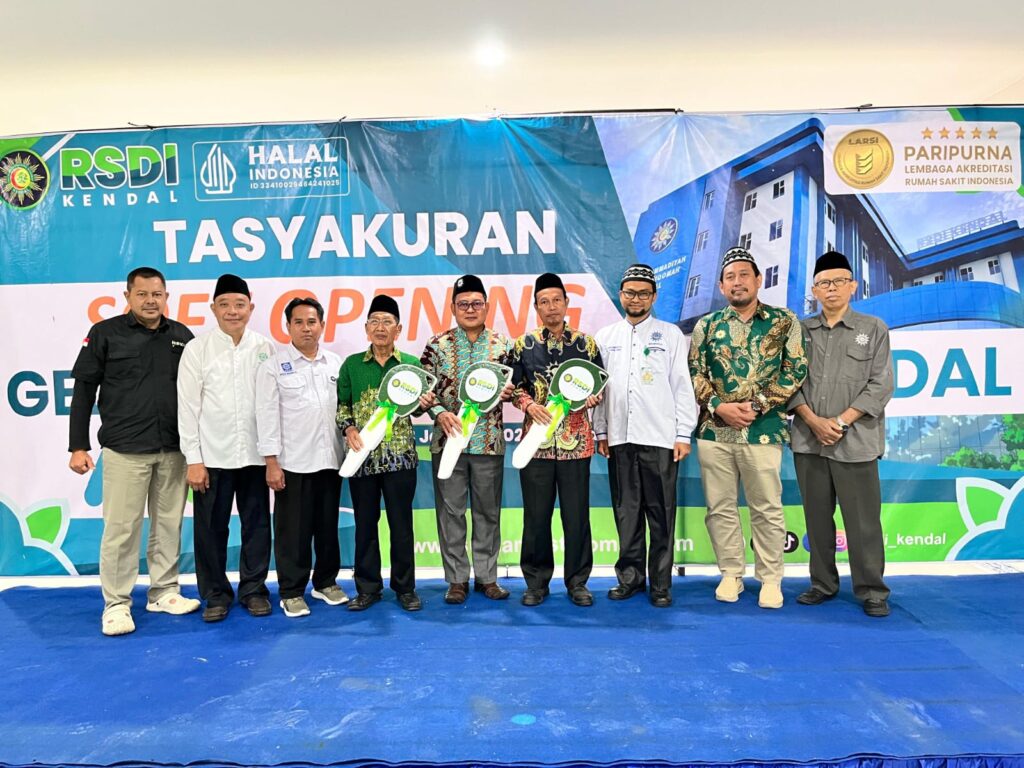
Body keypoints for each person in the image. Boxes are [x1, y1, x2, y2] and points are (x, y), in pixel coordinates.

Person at [68, 266, 200, 636]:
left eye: (157, 294)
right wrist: (78, 445)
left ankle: (164, 591)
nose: (150, 301)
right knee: (122, 529)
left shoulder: (182, 336)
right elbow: (83, 391)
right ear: (127, 296)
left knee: (168, 524)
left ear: (166, 296)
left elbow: (197, 394)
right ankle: (116, 604)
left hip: (173, 450)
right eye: (142, 294)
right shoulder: (105, 333)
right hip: (125, 450)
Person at [688, 247, 807, 609]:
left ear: (758, 280)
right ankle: (731, 573)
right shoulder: (707, 326)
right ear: (721, 286)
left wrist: (756, 406)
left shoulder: (784, 320)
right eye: (730, 277)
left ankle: (770, 579)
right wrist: (719, 406)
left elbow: (796, 369)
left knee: (766, 507)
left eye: (744, 275)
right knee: (720, 507)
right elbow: (694, 372)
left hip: (763, 429)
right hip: (715, 431)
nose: (737, 282)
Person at [789, 251, 894, 618]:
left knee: (863, 522)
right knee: (817, 518)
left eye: (838, 281)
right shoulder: (799, 331)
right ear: (814, 291)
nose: (831, 288)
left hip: (856, 441)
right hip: (809, 440)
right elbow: (787, 382)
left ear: (853, 286)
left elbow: (881, 384)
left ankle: (872, 590)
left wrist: (841, 422)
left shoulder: (873, 328)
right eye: (823, 283)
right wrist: (813, 421)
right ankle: (822, 583)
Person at [592, 264, 697, 608]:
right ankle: (630, 578)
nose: (635, 299)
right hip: (619, 437)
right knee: (627, 512)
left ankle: (661, 584)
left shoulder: (670, 335)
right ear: (620, 295)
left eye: (643, 293)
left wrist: (683, 433)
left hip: (661, 438)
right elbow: (600, 391)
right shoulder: (605, 337)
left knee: (661, 514)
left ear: (653, 296)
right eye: (630, 293)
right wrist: (601, 430)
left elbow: (682, 385)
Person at [177, 273, 275, 622]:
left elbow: (271, 405)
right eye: (225, 305)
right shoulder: (197, 349)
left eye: (239, 304)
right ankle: (215, 594)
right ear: (213, 308)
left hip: (254, 456)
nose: (233, 311)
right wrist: (194, 459)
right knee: (210, 530)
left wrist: (272, 456)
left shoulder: (265, 348)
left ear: (251, 308)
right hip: (212, 458)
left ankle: (253, 590)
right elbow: (187, 407)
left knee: (257, 527)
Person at [511, 273, 603, 607]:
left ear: (566, 303)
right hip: (535, 445)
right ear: (536, 307)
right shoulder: (522, 345)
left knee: (576, 517)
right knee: (536, 518)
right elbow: (513, 389)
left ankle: (578, 582)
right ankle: (536, 583)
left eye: (556, 300)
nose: (551, 307)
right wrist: (528, 404)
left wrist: (594, 398)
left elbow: (599, 387)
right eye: (544, 302)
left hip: (575, 444)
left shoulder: (586, 345)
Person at [421, 275, 514, 604]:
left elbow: (518, 389)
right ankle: (456, 579)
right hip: (447, 443)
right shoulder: (437, 346)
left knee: (488, 513)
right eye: (464, 304)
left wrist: (511, 392)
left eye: (476, 303)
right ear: (453, 308)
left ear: (486, 307)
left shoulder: (503, 346)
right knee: (451, 513)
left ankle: (487, 578)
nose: (470, 309)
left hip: (488, 442)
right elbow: (422, 391)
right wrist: (438, 413)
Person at [336, 295, 432, 612]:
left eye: (387, 322)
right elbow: (342, 406)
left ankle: (405, 589)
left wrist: (424, 405)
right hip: (362, 458)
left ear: (398, 329)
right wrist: (349, 428)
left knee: (401, 526)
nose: (380, 327)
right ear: (366, 328)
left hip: (400, 457)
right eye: (374, 321)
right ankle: (368, 589)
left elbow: (417, 409)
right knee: (365, 526)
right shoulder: (351, 365)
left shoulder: (411, 365)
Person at [255, 296, 346, 619]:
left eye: (312, 322)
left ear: (322, 325)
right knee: (292, 532)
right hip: (292, 463)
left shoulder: (335, 363)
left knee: (327, 527)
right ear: (288, 326)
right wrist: (271, 462)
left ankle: (326, 582)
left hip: (331, 460)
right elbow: (266, 416)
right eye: (299, 322)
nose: (306, 328)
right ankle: (292, 591)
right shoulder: (273, 367)